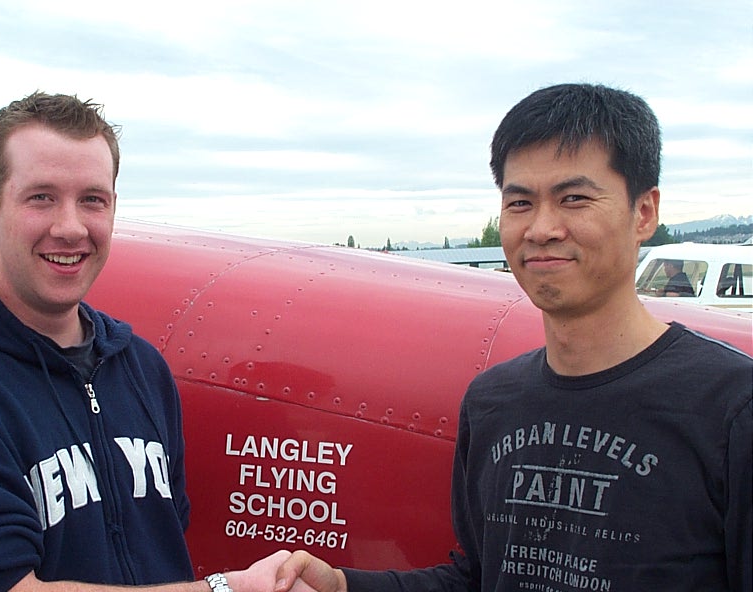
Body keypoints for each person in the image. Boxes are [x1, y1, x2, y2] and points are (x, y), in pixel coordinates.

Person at [274, 84, 753, 591]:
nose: (541, 228)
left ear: (645, 213)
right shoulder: (493, 403)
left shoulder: (731, 408)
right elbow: (480, 577)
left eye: (574, 199)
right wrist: (344, 587)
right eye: (520, 202)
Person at [0, 92, 290, 592]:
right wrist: (226, 590)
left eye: (92, 199)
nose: (70, 227)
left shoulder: (141, 368)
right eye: (41, 196)